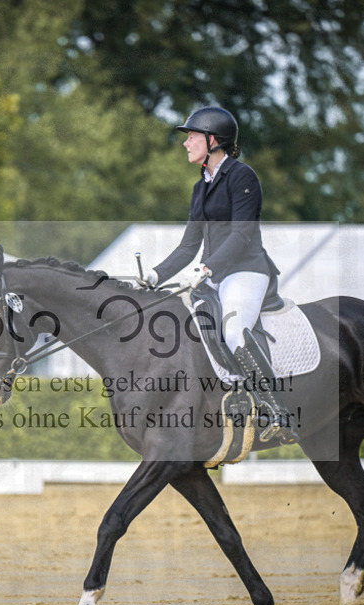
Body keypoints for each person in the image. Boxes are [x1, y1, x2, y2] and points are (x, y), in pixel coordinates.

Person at [141, 105, 298, 443]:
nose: (186, 143)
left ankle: (277, 411)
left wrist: (207, 267)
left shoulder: (243, 177)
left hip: (246, 271)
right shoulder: (201, 187)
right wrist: (154, 275)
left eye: (192, 136)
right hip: (212, 276)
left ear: (214, 140)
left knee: (234, 330)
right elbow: (188, 246)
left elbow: (242, 235)